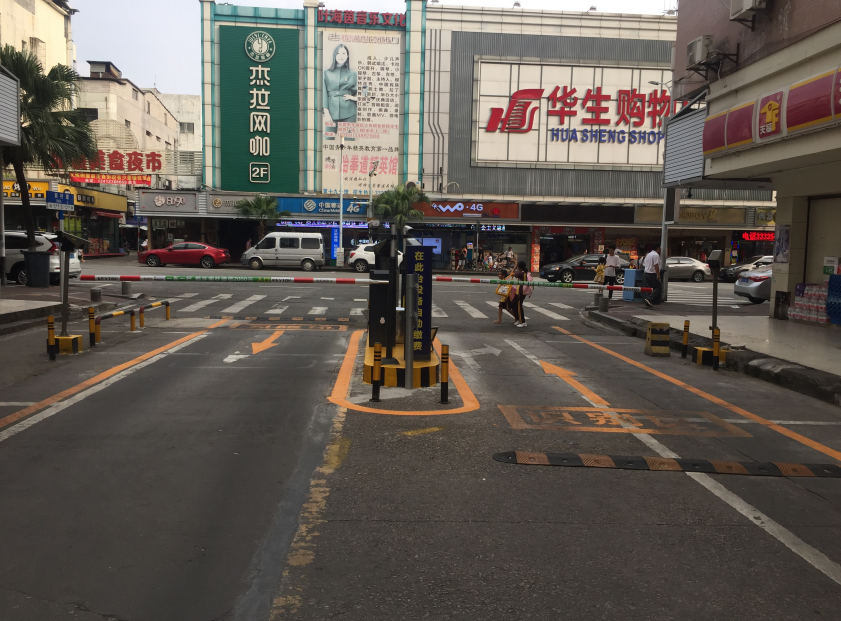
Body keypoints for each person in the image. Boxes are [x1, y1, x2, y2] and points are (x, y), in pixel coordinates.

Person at [323, 44, 358, 129]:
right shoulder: (326, 73)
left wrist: (354, 98)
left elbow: (365, 91)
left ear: (347, 55)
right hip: (331, 110)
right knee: (328, 135)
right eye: (338, 53)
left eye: (343, 53)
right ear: (334, 55)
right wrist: (326, 112)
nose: (341, 56)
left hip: (349, 111)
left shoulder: (353, 73)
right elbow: (323, 93)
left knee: (349, 136)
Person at [510, 260, 532, 327]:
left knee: (519, 307)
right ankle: (518, 319)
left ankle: (523, 322)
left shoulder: (521, 273)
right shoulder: (525, 273)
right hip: (519, 291)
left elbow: (512, 274)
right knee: (513, 304)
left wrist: (514, 267)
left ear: (519, 267)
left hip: (521, 292)